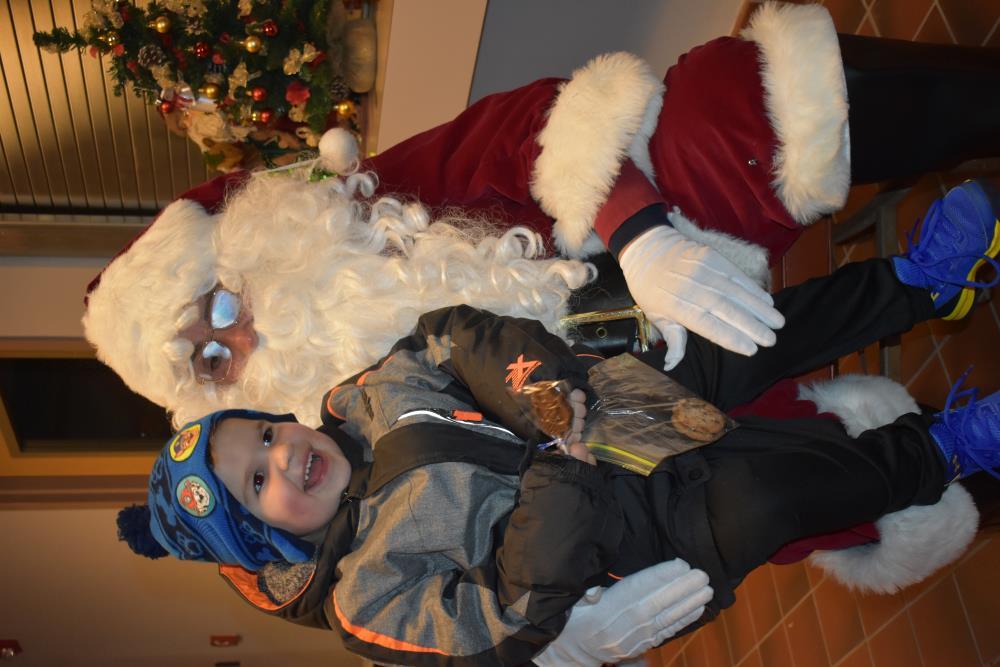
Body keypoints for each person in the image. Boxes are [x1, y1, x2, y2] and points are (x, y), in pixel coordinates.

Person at [119, 180, 1000, 666]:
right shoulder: (363, 597)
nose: (282, 455)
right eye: (257, 481)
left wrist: (543, 393)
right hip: (628, 538)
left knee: (735, 344)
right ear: (265, 538)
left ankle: (922, 284)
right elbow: (497, 615)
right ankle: (943, 450)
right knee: (771, 497)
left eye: (265, 434)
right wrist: (560, 466)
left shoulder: (365, 398)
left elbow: (454, 336)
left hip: (603, 404)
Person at [82, 2, 1000, 430]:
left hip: (644, 232)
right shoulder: (333, 430)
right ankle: (935, 399)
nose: (240, 334)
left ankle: (973, 119)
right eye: (213, 358)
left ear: (238, 251)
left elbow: (528, 124)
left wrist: (641, 234)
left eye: (218, 304)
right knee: (731, 458)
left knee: (728, 113)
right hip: (621, 402)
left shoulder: (365, 213)